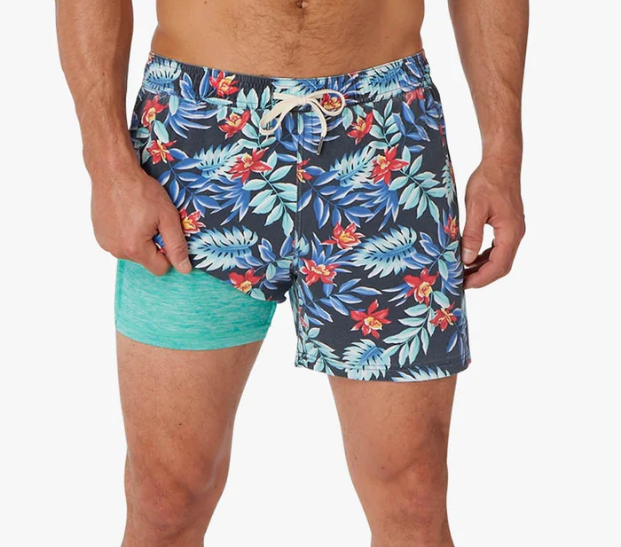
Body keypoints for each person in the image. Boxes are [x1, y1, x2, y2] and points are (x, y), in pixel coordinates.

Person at [56, 0, 527, 545]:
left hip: (386, 136)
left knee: (413, 495)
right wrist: (108, 166)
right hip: (196, 140)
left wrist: (503, 154)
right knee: (166, 497)